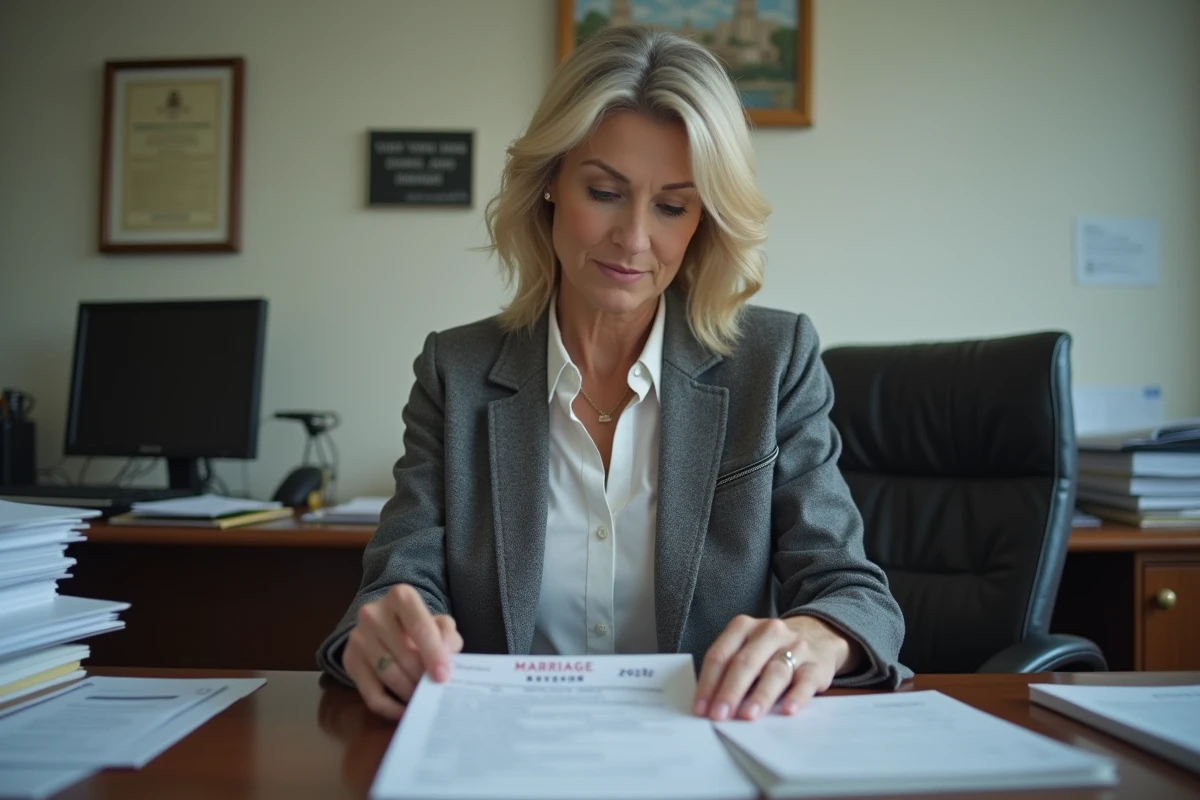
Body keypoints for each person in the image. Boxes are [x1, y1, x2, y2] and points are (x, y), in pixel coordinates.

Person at [318, 25, 911, 722]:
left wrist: (817, 636)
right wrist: (382, 635)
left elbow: (853, 591)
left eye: (671, 206)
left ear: (704, 223)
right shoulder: (458, 372)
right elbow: (396, 584)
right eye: (604, 191)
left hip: (705, 745)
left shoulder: (772, 362)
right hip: (505, 749)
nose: (633, 238)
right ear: (548, 186)